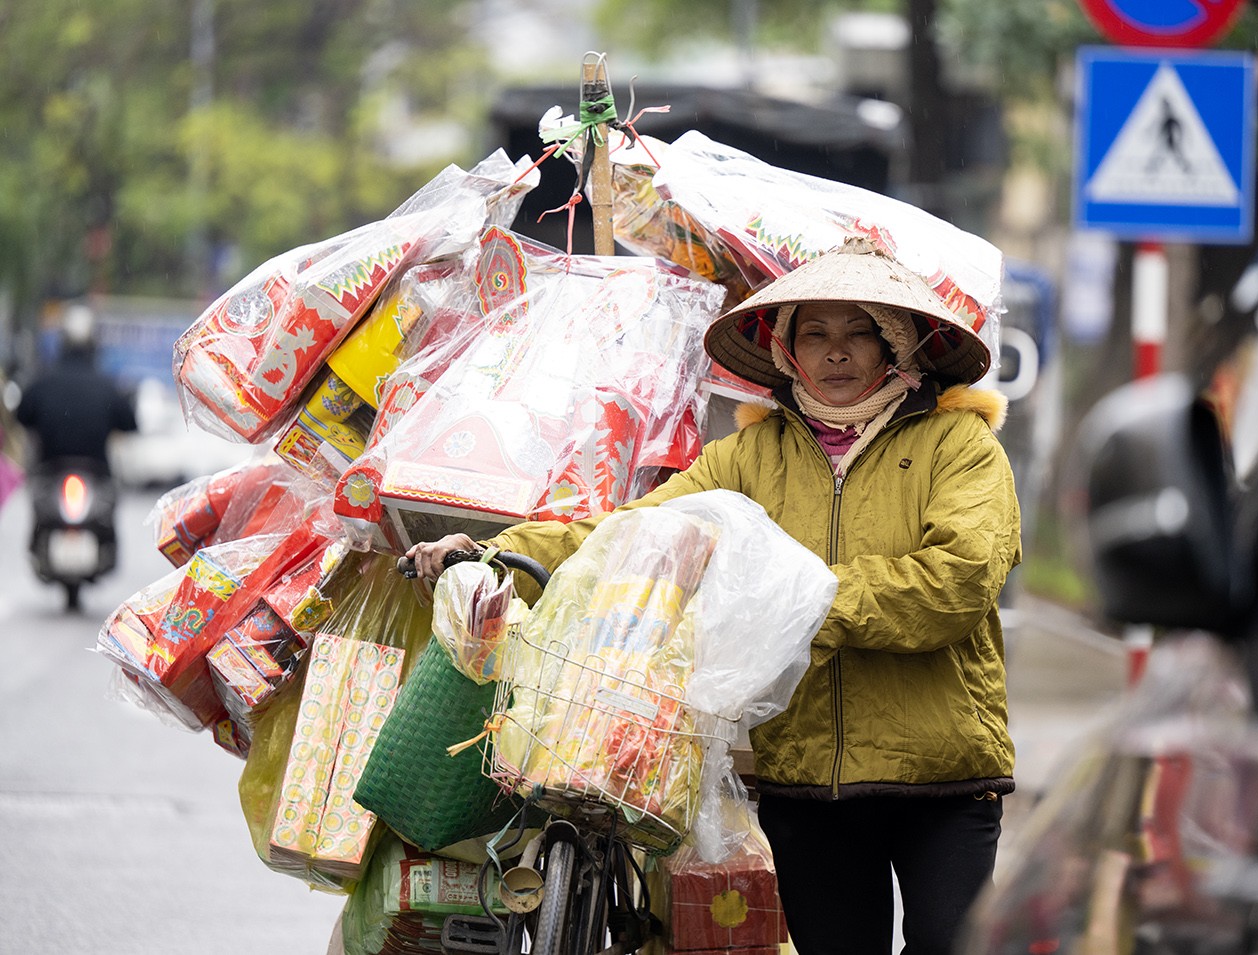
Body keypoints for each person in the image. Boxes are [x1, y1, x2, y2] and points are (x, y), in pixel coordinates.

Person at [407, 238, 1022, 955]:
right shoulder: (748, 457)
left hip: (944, 781)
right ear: (788, 351)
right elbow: (631, 533)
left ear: (899, 345)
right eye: (814, 333)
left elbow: (958, 581)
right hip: (807, 783)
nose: (836, 352)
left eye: (859, 330)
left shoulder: (961, 445)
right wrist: (495, 550)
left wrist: (800, 601)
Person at [15, 304, 137, 473]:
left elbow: (22, 416)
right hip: (95, 474)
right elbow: (129, 422)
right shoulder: (107, 387)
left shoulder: (42, 384)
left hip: (50, 472)